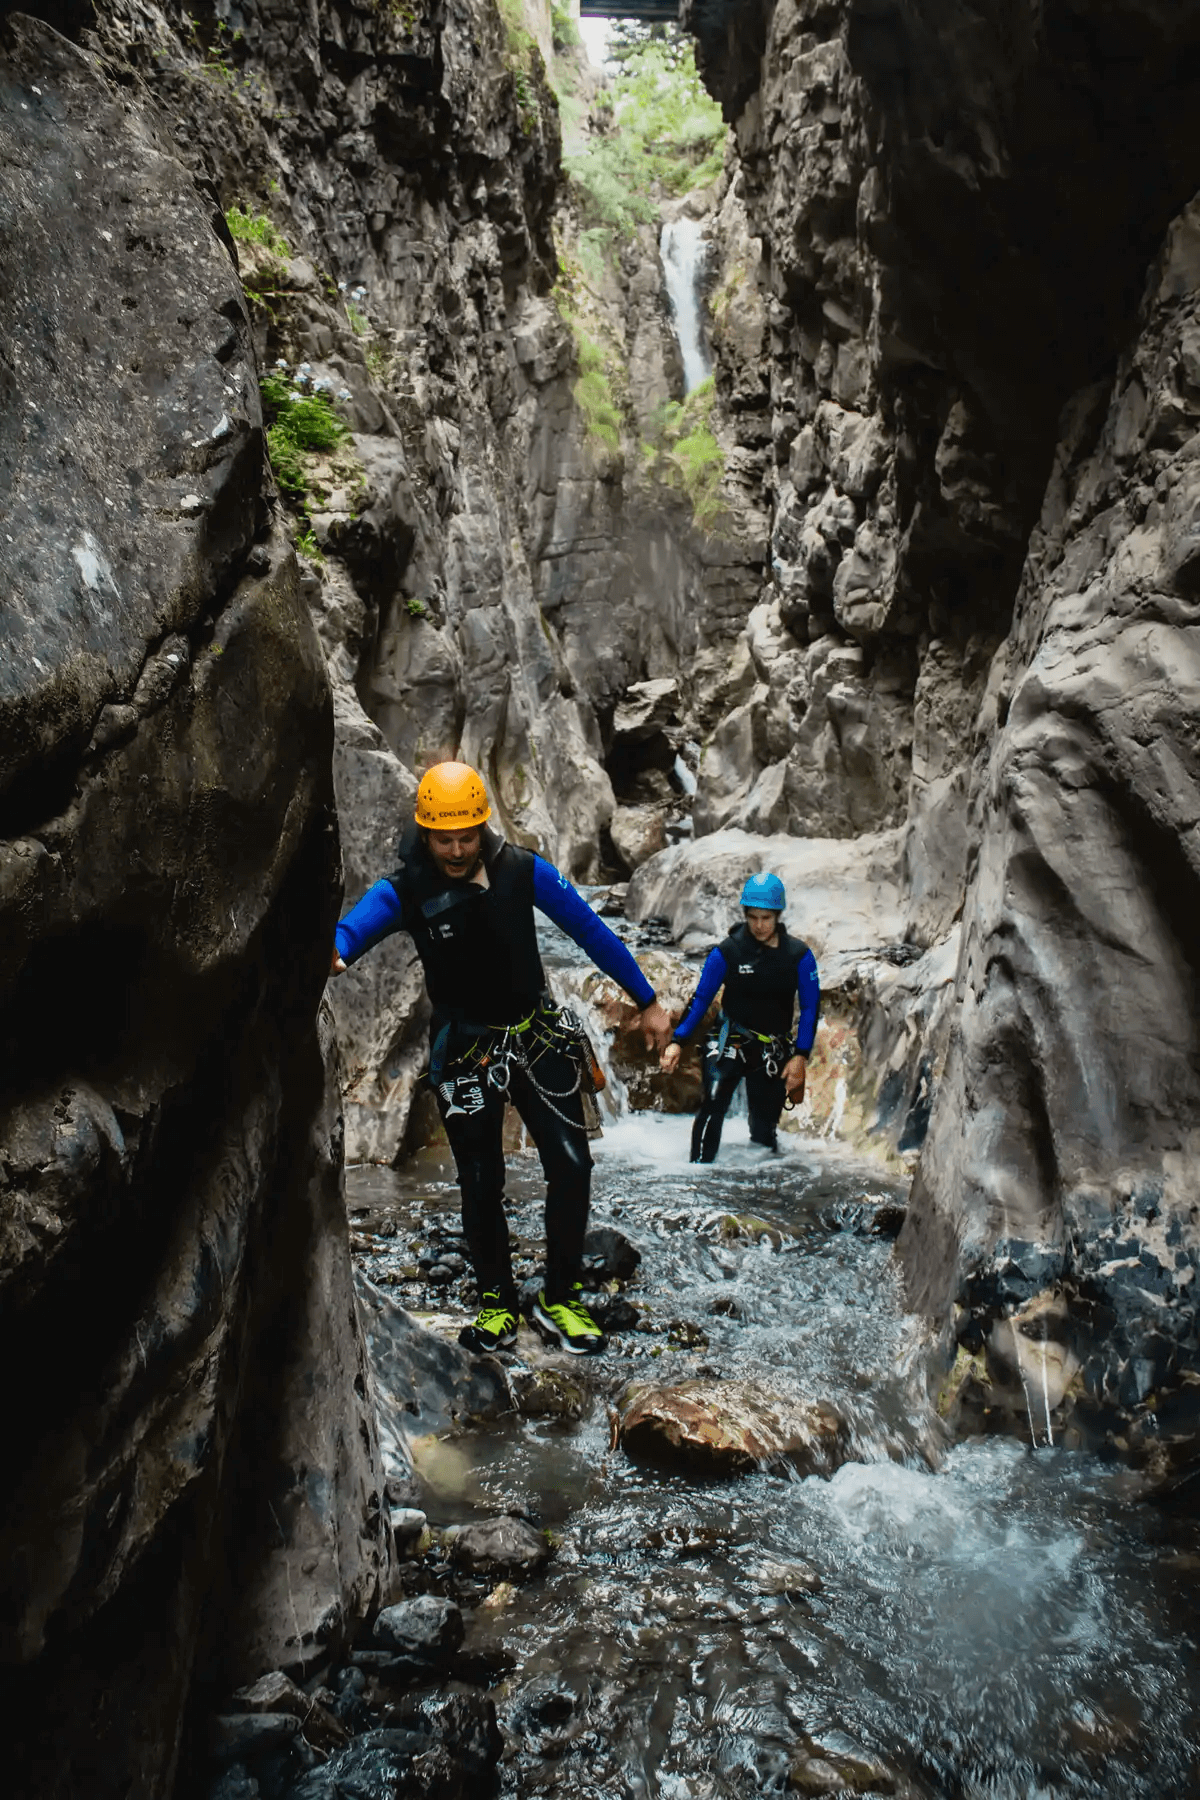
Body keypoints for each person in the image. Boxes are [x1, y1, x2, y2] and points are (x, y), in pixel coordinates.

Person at [330, 762, 672, 1356]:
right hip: (464, 1048)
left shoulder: (522, 871)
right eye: (444, 837)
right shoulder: (406, 887)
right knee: (481, 1177)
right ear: (426, 833)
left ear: (482, 824)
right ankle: (496, 1300)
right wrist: (323, 952)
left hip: (536, 1035)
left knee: (572, 1164)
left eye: (466, 835)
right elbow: (345, 941)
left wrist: (647, 999)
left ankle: (559, 1296)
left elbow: (591, 931)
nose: (457, 849)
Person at [659, 873, 819, 1163]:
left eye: (766, 918)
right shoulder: (728, 952)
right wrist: (677, 1041)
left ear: (777, 916)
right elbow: (701, 999)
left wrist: (800, 1057)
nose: (759, 925)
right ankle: (698, 1173)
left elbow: (810, 1008)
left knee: (764, 1126)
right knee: (714, 1103)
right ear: (745, 914)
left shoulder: (799, 956)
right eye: (753, 917)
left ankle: (761, 1183)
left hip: (772, 1047)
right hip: (730, 1037)